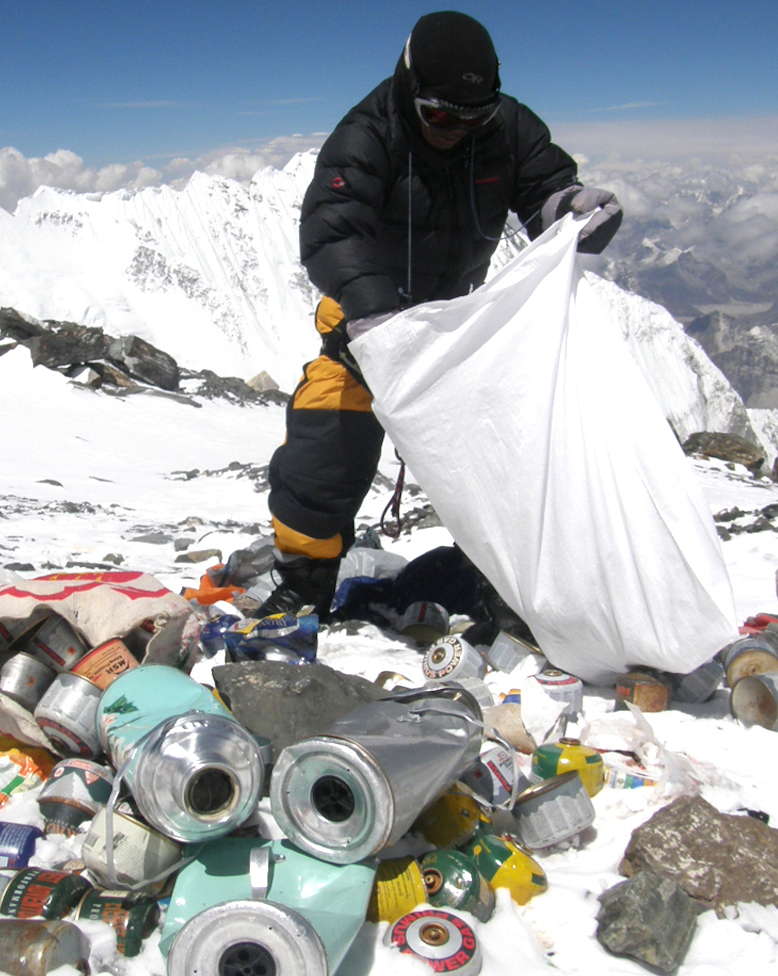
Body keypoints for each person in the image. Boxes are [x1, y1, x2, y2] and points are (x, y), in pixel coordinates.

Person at [259, 10, 622, 618]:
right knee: (322, 456)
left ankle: (504, 588)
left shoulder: (506, 128)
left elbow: (543, 189)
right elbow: (331, 232)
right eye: (440, 114)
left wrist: (571, 211)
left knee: (507, 459)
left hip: (459, 331)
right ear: (409, 86)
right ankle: (304, 583)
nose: (455, 128)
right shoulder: (367, 135)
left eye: (472, 116)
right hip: (364, 334)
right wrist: (375, 318)